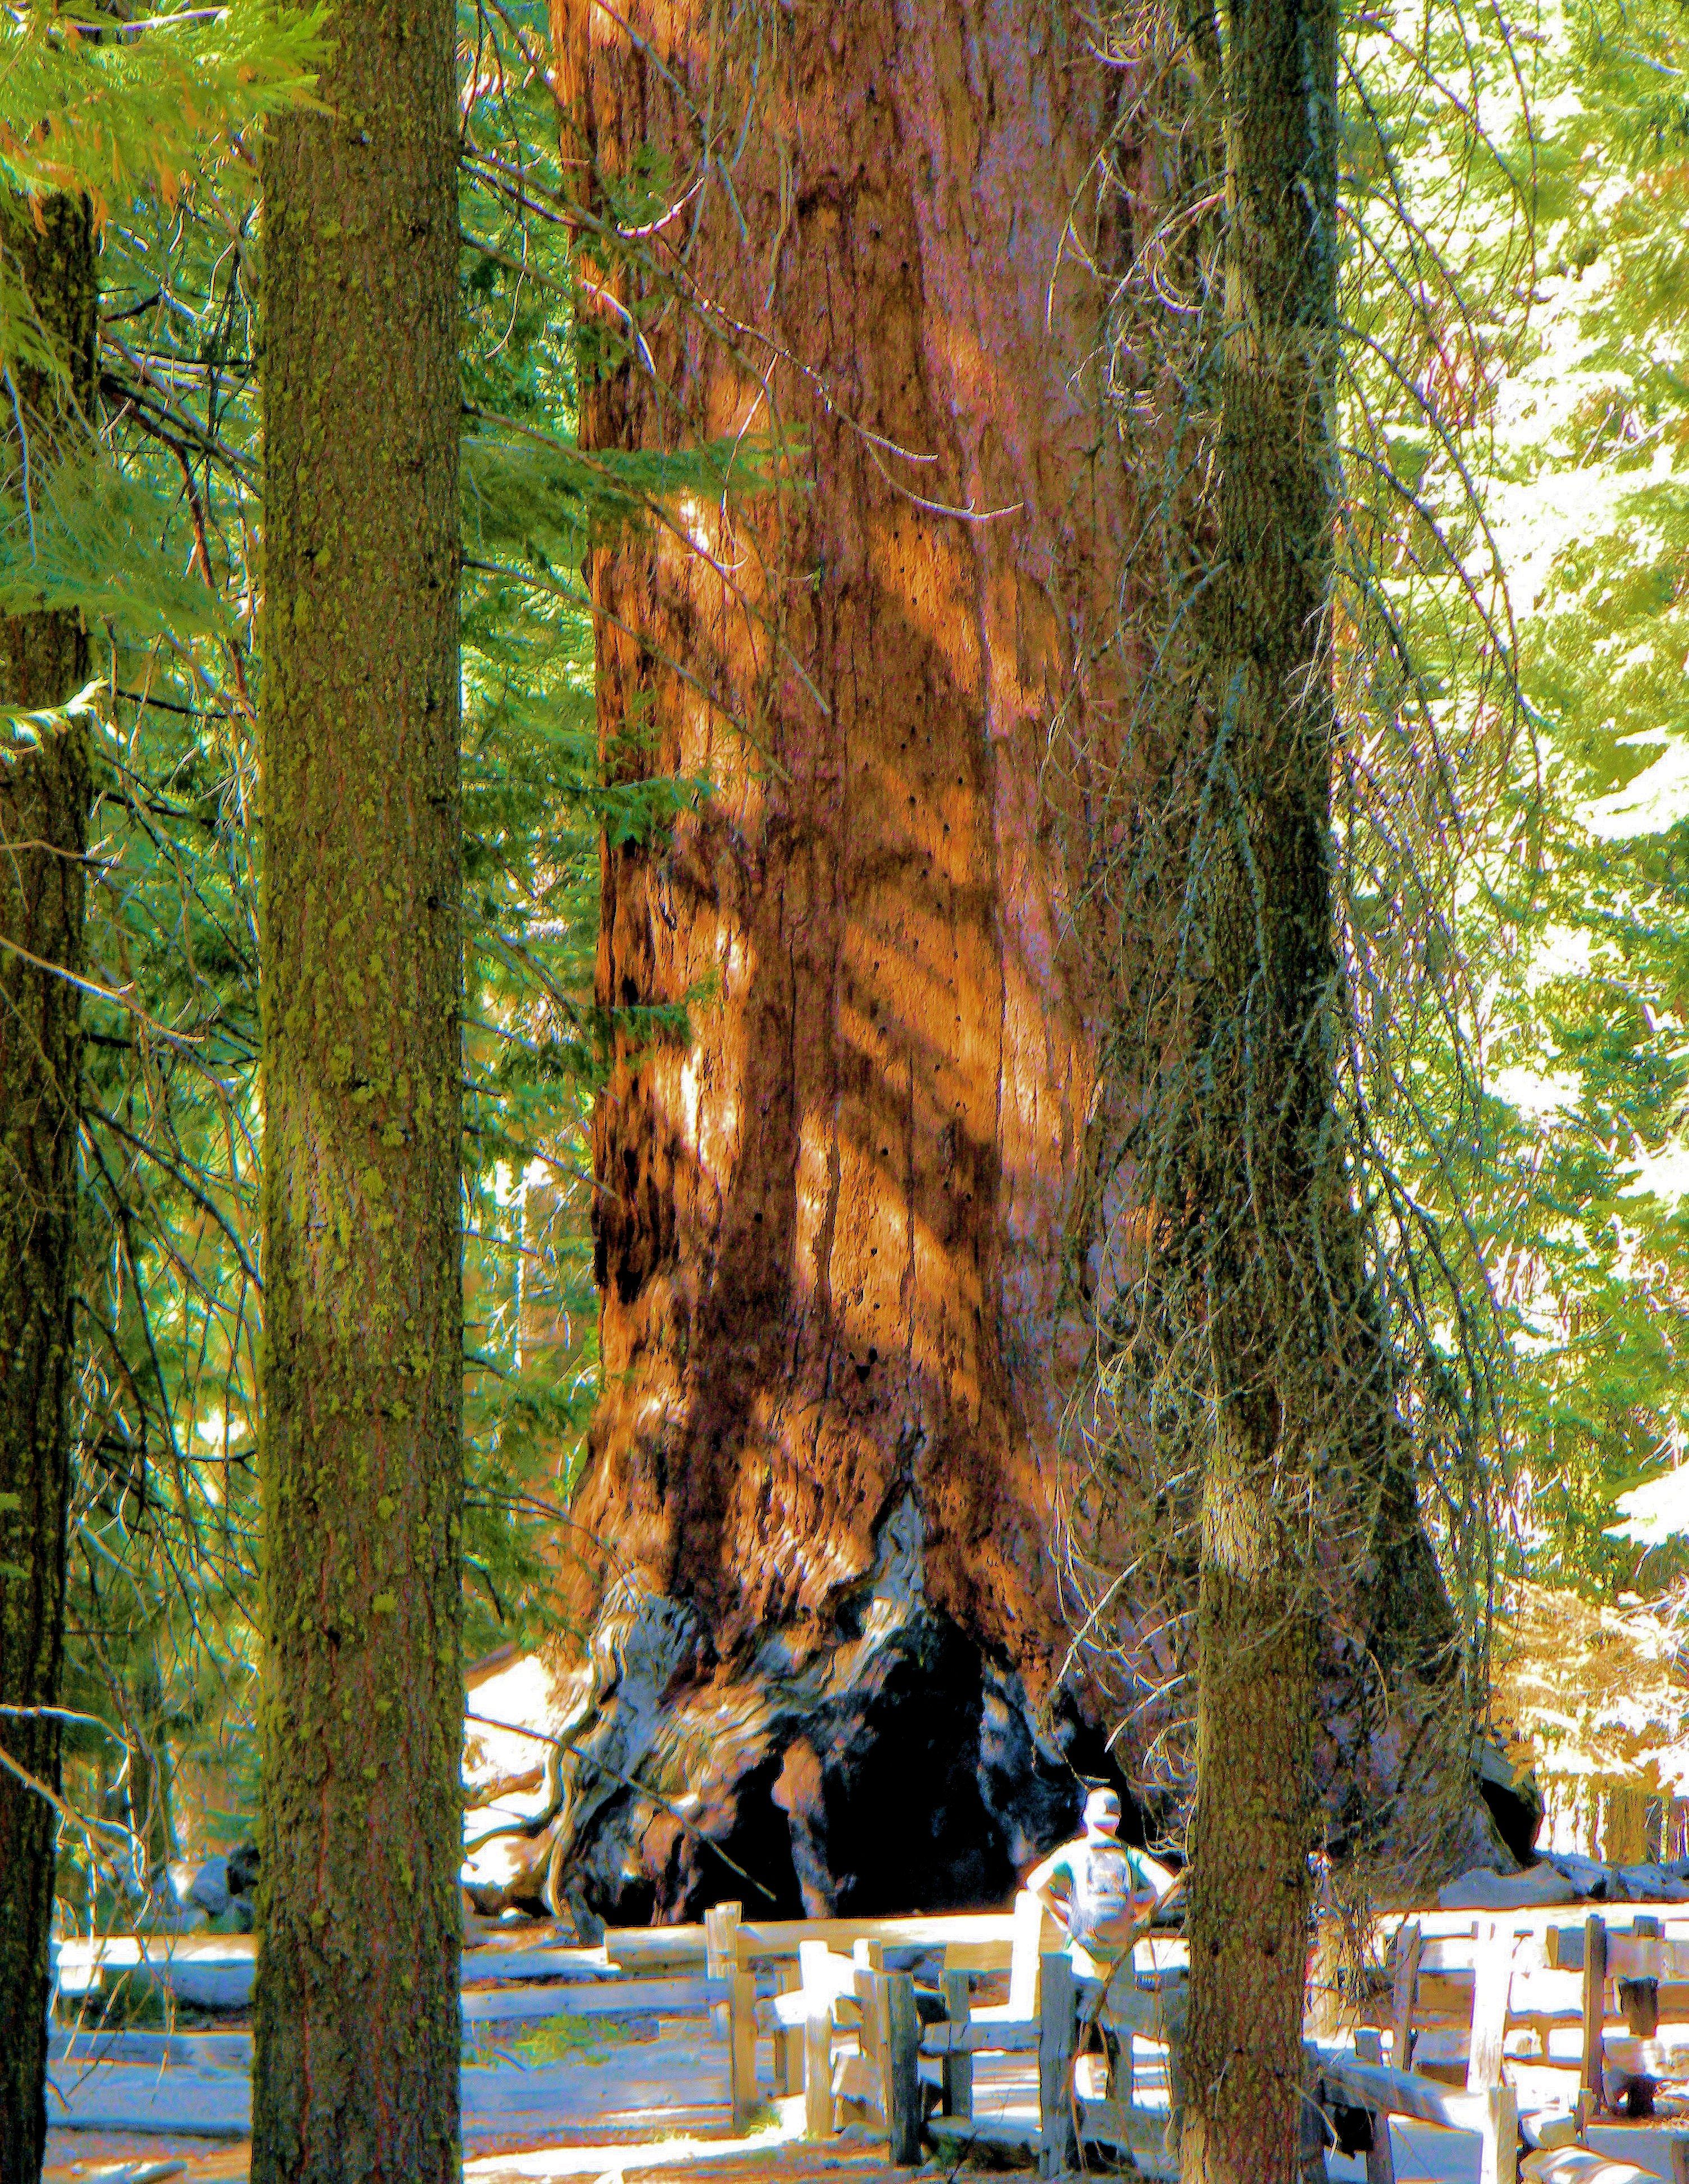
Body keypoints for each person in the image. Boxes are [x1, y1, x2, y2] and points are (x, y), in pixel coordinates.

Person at [1026, 1786, 1180, 1985]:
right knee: (1118, 2008)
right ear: (1117, 1821)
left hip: (1083, 1949)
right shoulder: (1129, 1855)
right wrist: (1138, 1912)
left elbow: (1036, 1882)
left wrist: (1062, 1915)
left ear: (1087, 1817)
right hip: (1120, 1953)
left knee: (1081, 2008)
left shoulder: (1074, 1852)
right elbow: (1170, 1886)